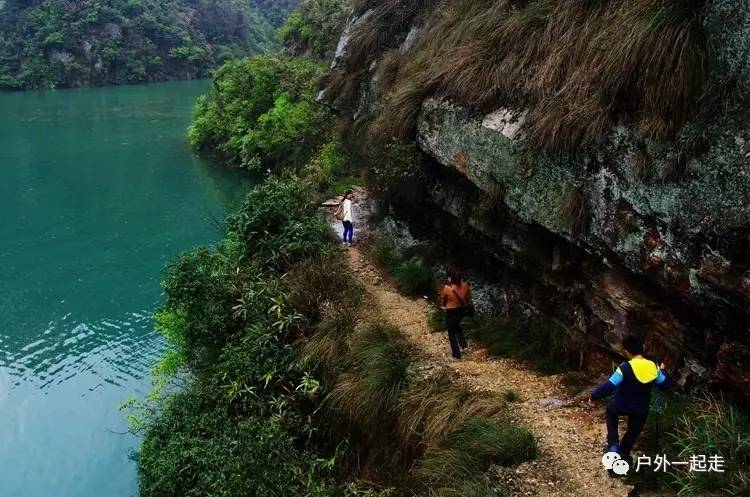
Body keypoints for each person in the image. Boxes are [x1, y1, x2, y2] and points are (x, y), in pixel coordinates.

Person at [589, 334, 672, 467]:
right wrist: (663, 371)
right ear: (643, 347)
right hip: (641, 409)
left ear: (627, 351)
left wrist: (594, 396)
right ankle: (623, 454)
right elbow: (665, 384)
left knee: (611, 411)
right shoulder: (652, 366)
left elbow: (609, 385)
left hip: (621, 405)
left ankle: (613, 445)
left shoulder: (624, 367)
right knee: (633, 431)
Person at [441, 268, 472, 359]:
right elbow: (467, 299)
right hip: (462, 311)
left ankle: (456, 354)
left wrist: (443, 307)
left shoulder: (447, 288)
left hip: (451, 312)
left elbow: (444, 301)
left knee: (452, 333)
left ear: (450, 278)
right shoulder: (466, 286)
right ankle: (464, 345)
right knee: (457, 327)